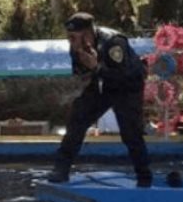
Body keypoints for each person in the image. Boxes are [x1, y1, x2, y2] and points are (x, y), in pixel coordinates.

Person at [48, 12, 153, 187]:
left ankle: (144, 178)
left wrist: (96, 67)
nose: (70, 41)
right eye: (69, 37)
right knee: (78, 116)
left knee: (131, 133)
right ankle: (61, 169)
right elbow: (82, 76)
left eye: (74, 37)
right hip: (103, 82)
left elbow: (121, 77)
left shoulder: (113, 43)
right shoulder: (76, 47)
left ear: (87, 35)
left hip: (128, 85)